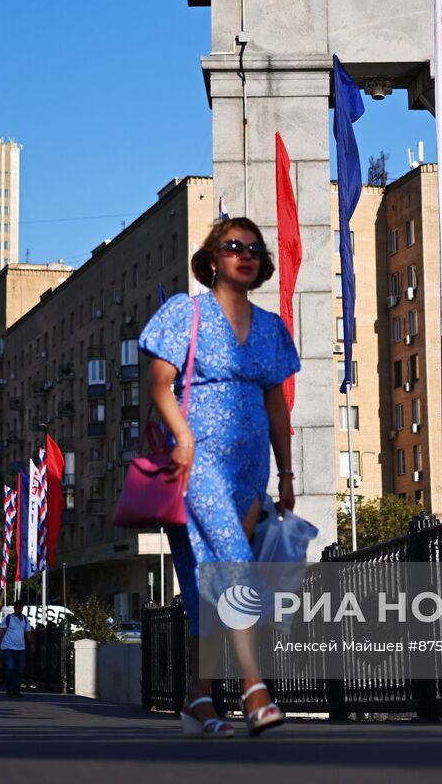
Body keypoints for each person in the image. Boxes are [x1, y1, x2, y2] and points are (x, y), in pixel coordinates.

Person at [139, 217, 299, 738]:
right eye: (233, 246)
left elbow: (276, 402)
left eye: (254, 248)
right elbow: (159, 385)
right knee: (234, 562)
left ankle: (199, 699)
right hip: (195, 461)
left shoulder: (272, 327)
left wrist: (287, 472)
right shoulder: (185, 313)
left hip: (249, 468)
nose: (245, 255)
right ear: (212, 259)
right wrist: (183, 438)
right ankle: (256, 690)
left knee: (207, 589)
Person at [0, 600, 33, 697]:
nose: (19, 610)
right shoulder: (8, 618)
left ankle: (16, 689)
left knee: (20, 670)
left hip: (21, 648)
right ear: (14, 608)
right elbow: (2, 632)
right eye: (17, 608)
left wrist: (32, 644)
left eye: (21, 608)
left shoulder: (25, 619)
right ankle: (9, 688)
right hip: (8, 647)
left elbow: (28, 633)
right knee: (10, 668)